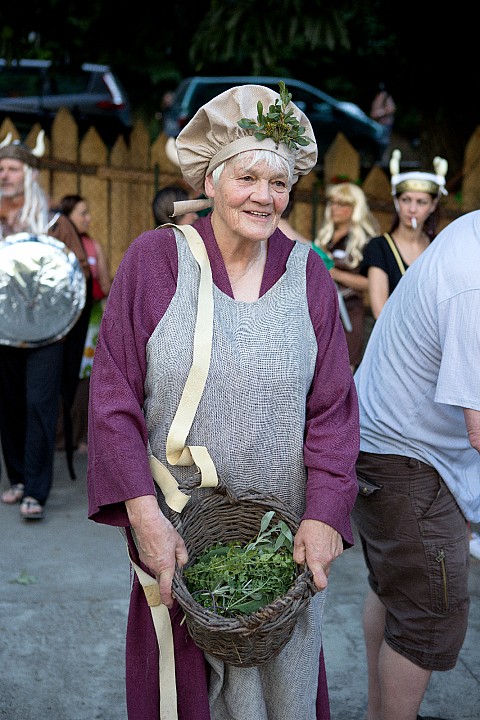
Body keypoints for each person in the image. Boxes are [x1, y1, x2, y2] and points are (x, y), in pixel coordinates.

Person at [87, 82, 360, 720]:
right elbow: (112, 398)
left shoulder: (308, 275)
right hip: (177, 535)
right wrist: (144, 516)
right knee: (182, 695)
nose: (265, 196)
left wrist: (323, 514)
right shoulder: (156, 261)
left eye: (280, 182)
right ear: (210, 180)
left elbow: (334, 410)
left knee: (280, 693)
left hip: (277, 545)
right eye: (247, 177)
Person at [352, 209, 480, 720]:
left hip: (383, 442)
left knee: (396, 590)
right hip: (404, 459)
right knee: (428, 613)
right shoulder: (471, 280)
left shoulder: (470, 231)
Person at [0, 132, 90, 519]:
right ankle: (18, 477)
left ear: (29, 174)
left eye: (13, 168)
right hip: (4, 331)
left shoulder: (54, 223)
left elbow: (78, 275)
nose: (4, 174)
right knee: (8, 403)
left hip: (48, 333)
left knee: (39, 402)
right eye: (0, 168)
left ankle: (36, 490)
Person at [360, 149, 448, 320]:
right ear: (396, 201)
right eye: (406, 200)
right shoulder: (379, 247)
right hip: (393, 339)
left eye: (421, 202)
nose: (412, 209)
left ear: (433, 205)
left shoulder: (438, 246)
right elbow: (380, 312)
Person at [57, 194, 112, 453]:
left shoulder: (93, 245)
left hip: (91, 320)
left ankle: (80, 437)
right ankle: (58, 437)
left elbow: (105, 283)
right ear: (67, 217)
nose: (87, 218)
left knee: (85, 380)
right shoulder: (56, 243)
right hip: (62, 321)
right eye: (82, 213)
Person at [314, 182, 379, 371]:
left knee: (343, 369)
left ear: (355, 208)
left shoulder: (366, 241)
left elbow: (371, 283)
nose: (334, 208)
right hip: (321, 308)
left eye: (342, 204)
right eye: (333, 203)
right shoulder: (326, 235)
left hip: (349, 311)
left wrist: (334, 273)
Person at [370, 82, 396, 153]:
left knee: (383, 142)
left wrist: (380, 113)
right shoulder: (377, 97)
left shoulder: (386, 97)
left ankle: (382, 159)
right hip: (377, 123)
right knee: (377, 141)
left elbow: (392, 108)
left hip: (385, 124)